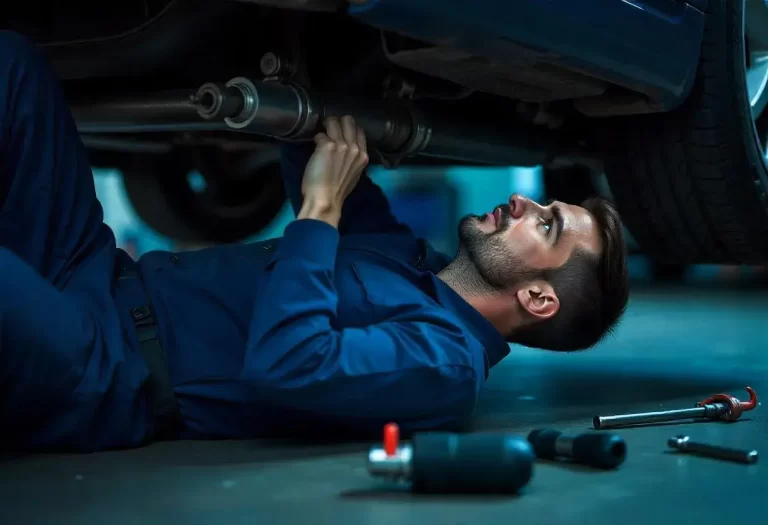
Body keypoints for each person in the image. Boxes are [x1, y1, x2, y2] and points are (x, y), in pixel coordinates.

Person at [0, 31, 629, 452]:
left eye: (545, 224)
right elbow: (317, 146)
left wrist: (320, 208)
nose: (524, 203)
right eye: (543, 206)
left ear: (539, 298)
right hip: (91, 268)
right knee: (15, 67)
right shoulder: (409, 260)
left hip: (103, 366)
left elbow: (290, 365)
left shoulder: (444, 364)